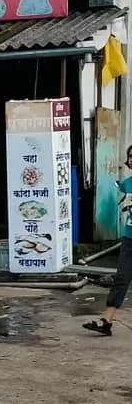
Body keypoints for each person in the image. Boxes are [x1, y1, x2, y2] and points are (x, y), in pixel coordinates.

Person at [85, 144, 132, 336]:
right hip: (129, 237)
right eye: (130, 156)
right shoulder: (127, 184)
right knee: (121, 278)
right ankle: (106, 321)